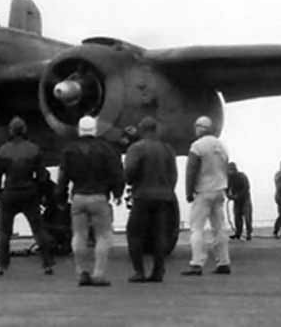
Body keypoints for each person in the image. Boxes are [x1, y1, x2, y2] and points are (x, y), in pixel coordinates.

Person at [56, 115, 124, 287]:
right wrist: (117, 193)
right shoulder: (106, 149)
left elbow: (62, 177)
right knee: (103, 236)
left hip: (78, 197)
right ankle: (99, 274)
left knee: (79, 235)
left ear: (79, 129)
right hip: (99, 197)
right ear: (95, 129)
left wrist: (60, 197)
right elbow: (117, 173)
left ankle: (81, 272)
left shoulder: (69, 150)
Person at [0, 116, 55, 276]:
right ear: (24, 130)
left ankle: (0, 265)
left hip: (9, 194)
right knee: (38, 229)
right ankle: (47, 263)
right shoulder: (34, 149)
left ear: (10, 131)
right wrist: (40, 193)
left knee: (3, 231)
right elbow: (42, 175)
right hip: (29, 193)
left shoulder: (2, 150)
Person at [124, 116, 178, 282]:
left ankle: (139, 272)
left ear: (142, 129)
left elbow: (129, 172)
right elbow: (173, 174)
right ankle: (158, 271)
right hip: (164, 198)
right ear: (155, 130)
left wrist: (131, 183)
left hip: (142, 196)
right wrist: (168, 189)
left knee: (134, 233)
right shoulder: (167, 149)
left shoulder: (136, 148)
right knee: (160, 234)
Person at [181, 115, 231, 276]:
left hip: (203, 191)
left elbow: (191, 171)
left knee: (196, 228)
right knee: (219, 228)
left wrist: (189, 191)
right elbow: (226, 168)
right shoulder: (221, 146)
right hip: (219, 190)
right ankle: (224, 262)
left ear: (199, 128)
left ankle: (196, 263)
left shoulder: (197, 146)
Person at [227, 162, 253, 241]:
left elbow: (246, 187)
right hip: (236, 200)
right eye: (229, 170)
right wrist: (228, 195)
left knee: (247, 217)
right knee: (237, 217)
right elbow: (226, 188)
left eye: (232, 170)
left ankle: (249, 233)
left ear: (235, 169)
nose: (230, 172)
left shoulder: (242, 176)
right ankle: (238, 233)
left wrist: (238, 196)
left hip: (245, 199)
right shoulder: (229, 178)